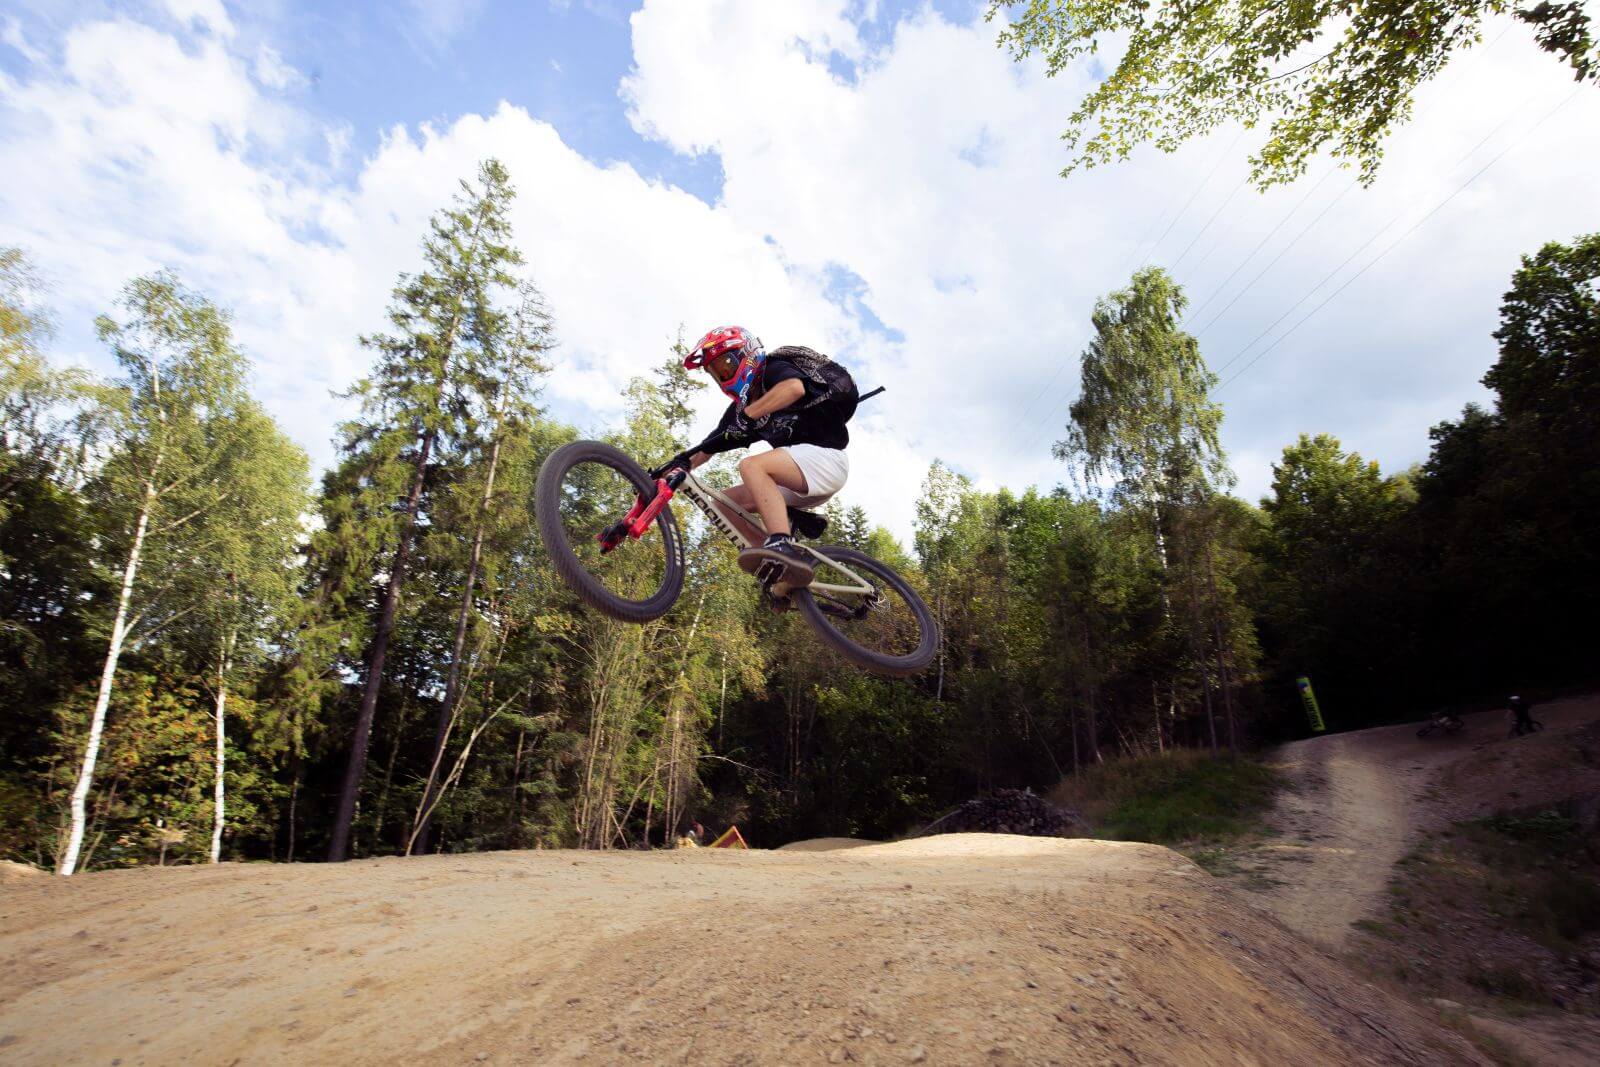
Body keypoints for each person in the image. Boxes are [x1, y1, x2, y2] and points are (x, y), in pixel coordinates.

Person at [654, 326, 858, 587]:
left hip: (826, 461)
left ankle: (780, 543)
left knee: (751, 466)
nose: (723, 376)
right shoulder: (740, 409)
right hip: (797, 479)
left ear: (745, 355)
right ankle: (779, 571)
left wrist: (750, 416)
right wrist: (674, 469)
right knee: (722, 505)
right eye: (717, 373)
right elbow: (708, 448)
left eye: (726, 365)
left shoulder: (772, 369)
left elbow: (794, 388)